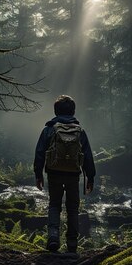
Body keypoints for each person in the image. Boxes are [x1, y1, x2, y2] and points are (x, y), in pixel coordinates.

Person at [34, 95, 96, 253]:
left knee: (54, 205)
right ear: (73, 111)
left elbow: (40, 153)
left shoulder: (49, 129)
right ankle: (72, 243)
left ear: (55, 111)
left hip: (53, 173)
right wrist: (91, 177)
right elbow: (87, 156)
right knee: (73, 208)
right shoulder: (80, 131)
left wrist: (38, 175)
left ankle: (53, 237)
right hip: (73, 175)